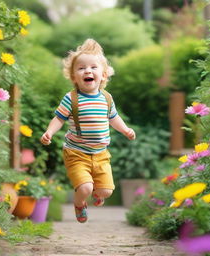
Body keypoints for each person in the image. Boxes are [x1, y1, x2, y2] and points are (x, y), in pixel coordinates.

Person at [40, 39, 136, 223]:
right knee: (85, 188)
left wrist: (125, 130)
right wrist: (49, 132)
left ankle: (97, 194)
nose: (88, 71)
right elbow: (59, 118)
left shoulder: (107, 98)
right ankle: (79, 202)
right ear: (74, 76)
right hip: (76, 153)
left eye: (93, 67)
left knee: (106, 191)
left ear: (104, 74)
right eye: (81, 68)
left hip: (101, 154)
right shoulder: (71, 98)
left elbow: (113, 118)